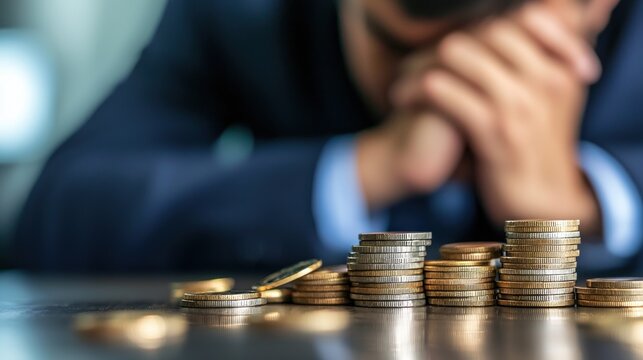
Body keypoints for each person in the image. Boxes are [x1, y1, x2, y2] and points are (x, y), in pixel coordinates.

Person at [14, 0, 642, 272]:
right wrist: (363, 170)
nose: (449, 91)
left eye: (496, 52)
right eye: (406, 52)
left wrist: (582, 205)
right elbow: (56, 217)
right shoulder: (244, 15)